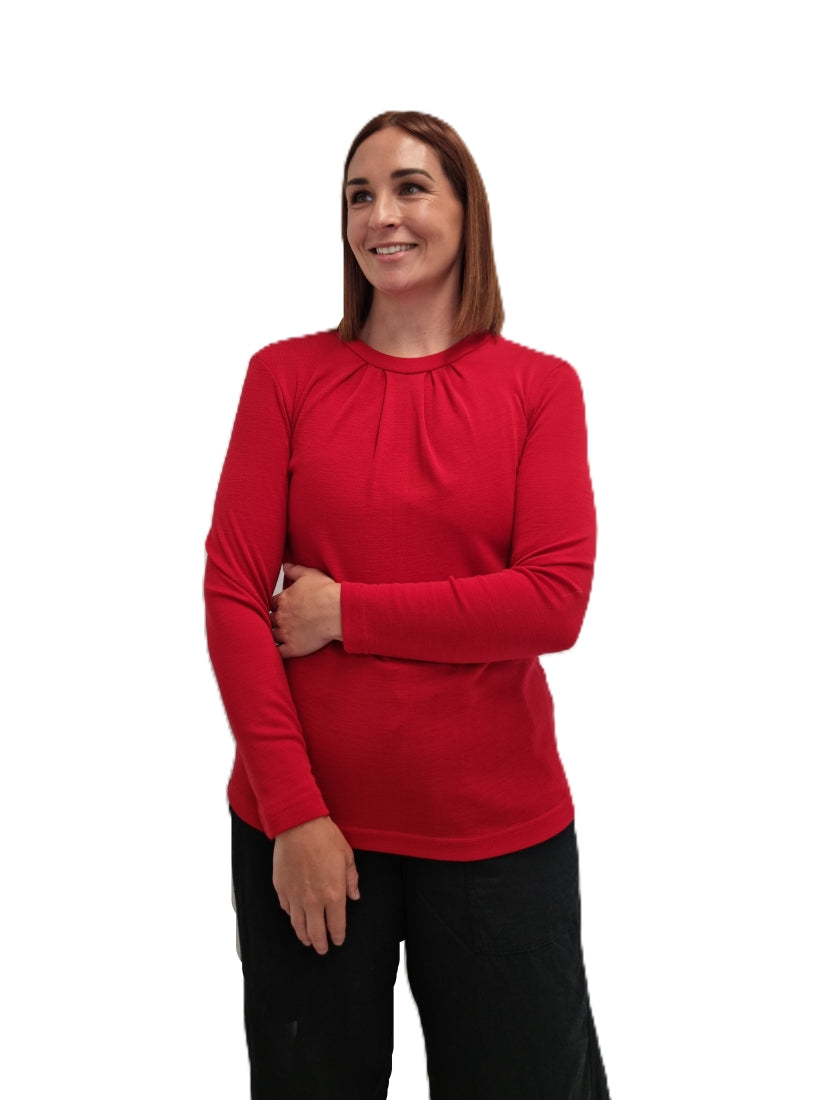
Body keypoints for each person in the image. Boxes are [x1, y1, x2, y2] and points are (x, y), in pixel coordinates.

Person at [205, 110, 610, 1099]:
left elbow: (551, 601)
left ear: (468, 212)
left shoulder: (539, 389)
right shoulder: (284, 378)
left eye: (410, 187)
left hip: (497, 834)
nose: (380, 214)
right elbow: (231, 594)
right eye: (359, 195)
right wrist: (294, 813)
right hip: (310, 832)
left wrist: (346, 612)